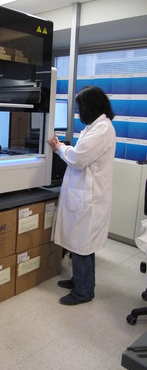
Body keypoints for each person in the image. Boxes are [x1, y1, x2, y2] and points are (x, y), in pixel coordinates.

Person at [48, 85, 116, 306]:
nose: (78, 113)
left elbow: (78, 158)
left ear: (90, 107)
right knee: (81, 245)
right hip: (84, 195)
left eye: (79, 109)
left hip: (90, 199)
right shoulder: (95, 127)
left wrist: (59, 147)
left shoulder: (102, 130)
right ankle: (80, 281)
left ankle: (83, 292)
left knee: (82, 246)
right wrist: (65, 148)